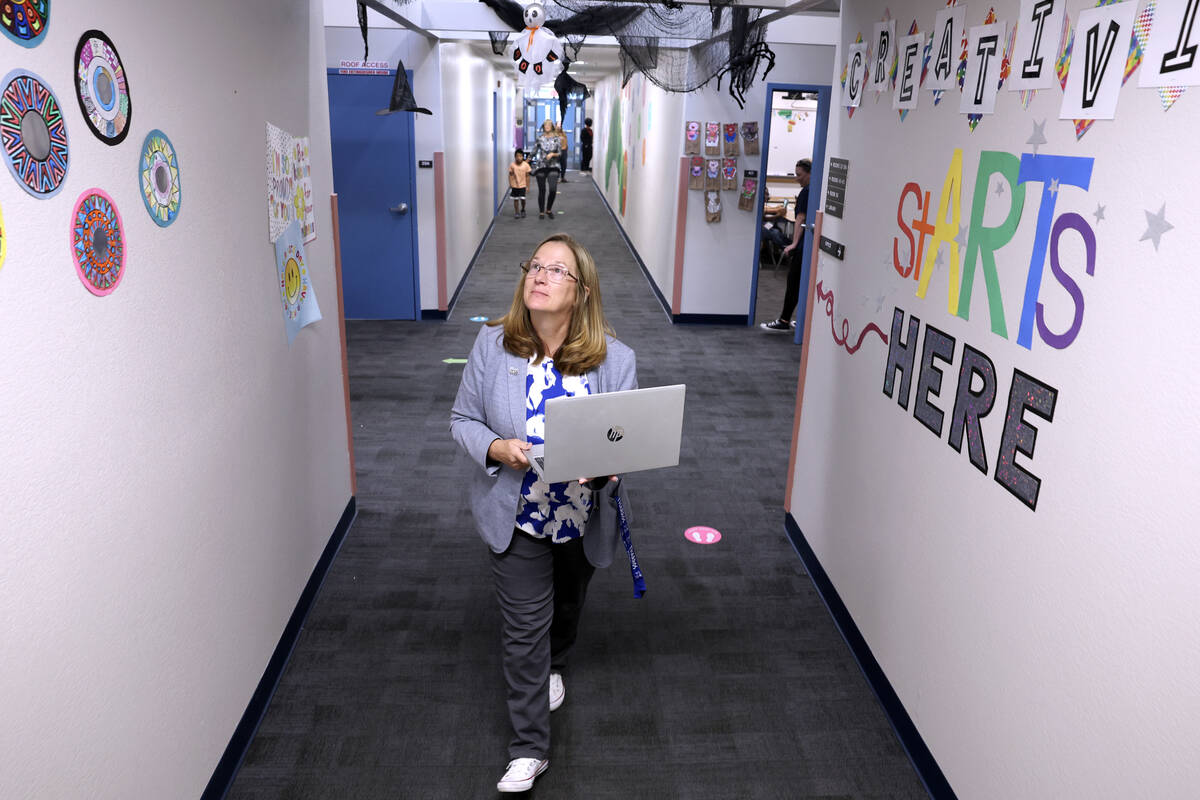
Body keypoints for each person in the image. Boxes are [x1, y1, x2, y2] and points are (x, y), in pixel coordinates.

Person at [450, 233, 638, 794]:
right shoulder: (492, 347)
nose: (540, 276)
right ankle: (529, 748)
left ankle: (557, 660)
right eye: (535, 266)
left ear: (581, 292)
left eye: (557, 271)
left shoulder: (615, 358)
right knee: (523, 628)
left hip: (580, 516)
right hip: (518, 514)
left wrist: (604, 469)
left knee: (569, 604)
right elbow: (462, 419)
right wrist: (494, 448)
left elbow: (624, 442)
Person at [761, 158, 812, 332]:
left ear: (809, 173)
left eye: (799, 175)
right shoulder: (815, 189)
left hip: (803, 246)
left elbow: (801, 218)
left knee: (794, 283)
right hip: (808, 244)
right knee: (804, 284)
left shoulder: (807, 191)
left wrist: (795, 243)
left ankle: (784, 320)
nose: (796, 178)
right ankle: (802, 319)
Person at [528, 119, 561, 219]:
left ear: (552, 127)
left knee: (552, 189)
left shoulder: (557, 138)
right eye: (545, 125)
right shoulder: (540, 138)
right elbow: (534, 151)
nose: (547, 126)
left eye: (549, 125)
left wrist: (553, 154)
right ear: (543, 126)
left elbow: (560, 153)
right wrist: (527, 160)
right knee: (542, 190)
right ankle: (541, 211)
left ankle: (549, 209)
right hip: (541, 166)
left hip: (553, 166)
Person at [508, 149, 532, 219]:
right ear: (515, 157)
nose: (519, 158)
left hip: (523, 185)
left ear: (523, 157)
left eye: (520, 156)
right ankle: (516, 212)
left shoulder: (526, 165)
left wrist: (528, 186)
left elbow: (527, 176)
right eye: (517, 156)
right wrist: (511, 183)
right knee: (515, 199)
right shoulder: (512, 165)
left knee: (523, 199)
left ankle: (523, 209)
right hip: (515, 185)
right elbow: (510, 175)